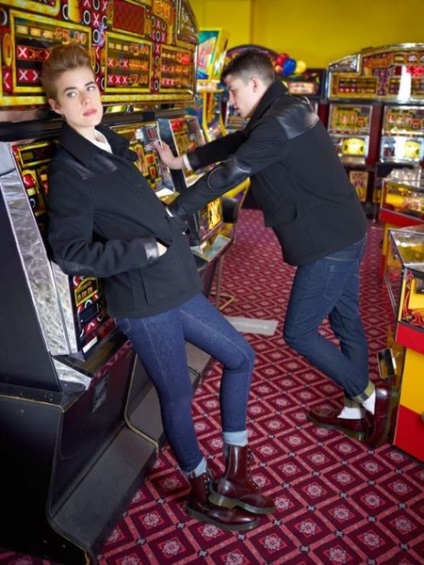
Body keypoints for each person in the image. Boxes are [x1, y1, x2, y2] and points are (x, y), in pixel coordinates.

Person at [41, 43, 276, 532]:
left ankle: (234, 473)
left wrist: (170, 223)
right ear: (55, 106)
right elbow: (70, 252)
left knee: (240, 356)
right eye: (72, 93)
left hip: (174, 284)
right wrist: (144, 250)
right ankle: (200, 487)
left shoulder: (108, 141)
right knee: (177, 394)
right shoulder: (69, 170)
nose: (86, 99)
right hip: (142, 300)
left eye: (90, 87)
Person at [155, 49, 398, 449]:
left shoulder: (273, 123)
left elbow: (230, 172)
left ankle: (373, 398)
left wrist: (174, 211)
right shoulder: (283, 107)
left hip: (328, 243)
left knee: (299, 332)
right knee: (346, 323)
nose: (231, 100)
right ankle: (355, 412)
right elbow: (236, 142)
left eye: (233, 90)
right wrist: (183, 161)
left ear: (254, 83)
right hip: (348, 230)